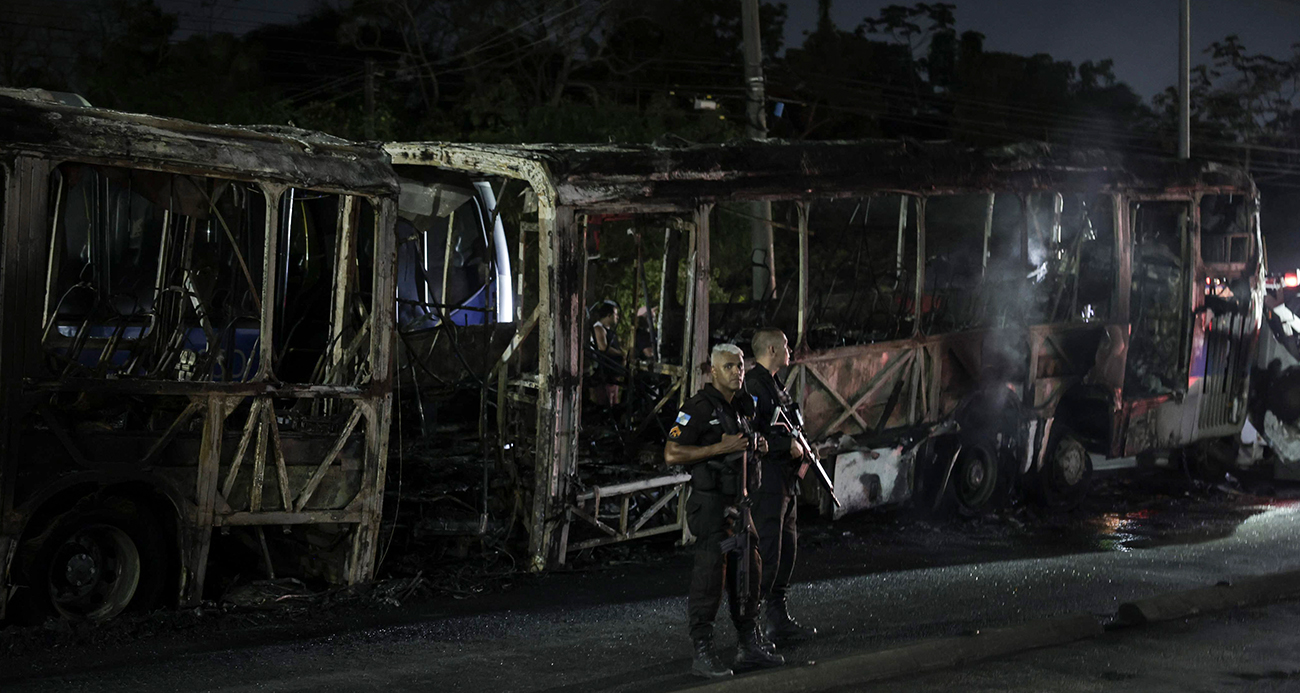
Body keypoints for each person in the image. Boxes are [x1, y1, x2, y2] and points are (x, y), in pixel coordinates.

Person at [665, 344, 785, 678]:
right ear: (714, 371)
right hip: (712, 506)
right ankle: (703, 651)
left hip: (741, 505)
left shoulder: (742, 405)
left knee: (748, 572)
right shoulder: (698, 408)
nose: (737, 372)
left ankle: (748, 644)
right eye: (729, 367)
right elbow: (672, 453)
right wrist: (719, 447)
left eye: (740, 366)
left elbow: (744, 444)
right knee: (710, 577)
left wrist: (758, 445)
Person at [745, 328, 819, 643]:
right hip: (768, 481)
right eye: (786, 345)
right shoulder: (754, 385)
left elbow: (788, 425)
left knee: (787, 551)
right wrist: (784, 445)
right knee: (767, 554)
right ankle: (751, 630)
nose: (790, 350)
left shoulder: (775, 384)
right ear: (772, 349)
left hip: (786, 482)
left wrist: (802, 447)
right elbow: (751, 434)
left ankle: (777, 619)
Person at [588, 300, 624, 406]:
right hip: (603, 375)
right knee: (604, 404)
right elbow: (603, 347)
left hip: (612, 376)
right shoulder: (598, 328)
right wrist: (620, 353)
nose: (617, 317)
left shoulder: (608, 331)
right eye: (615, 314)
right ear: (609, 315)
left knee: (613, 404)